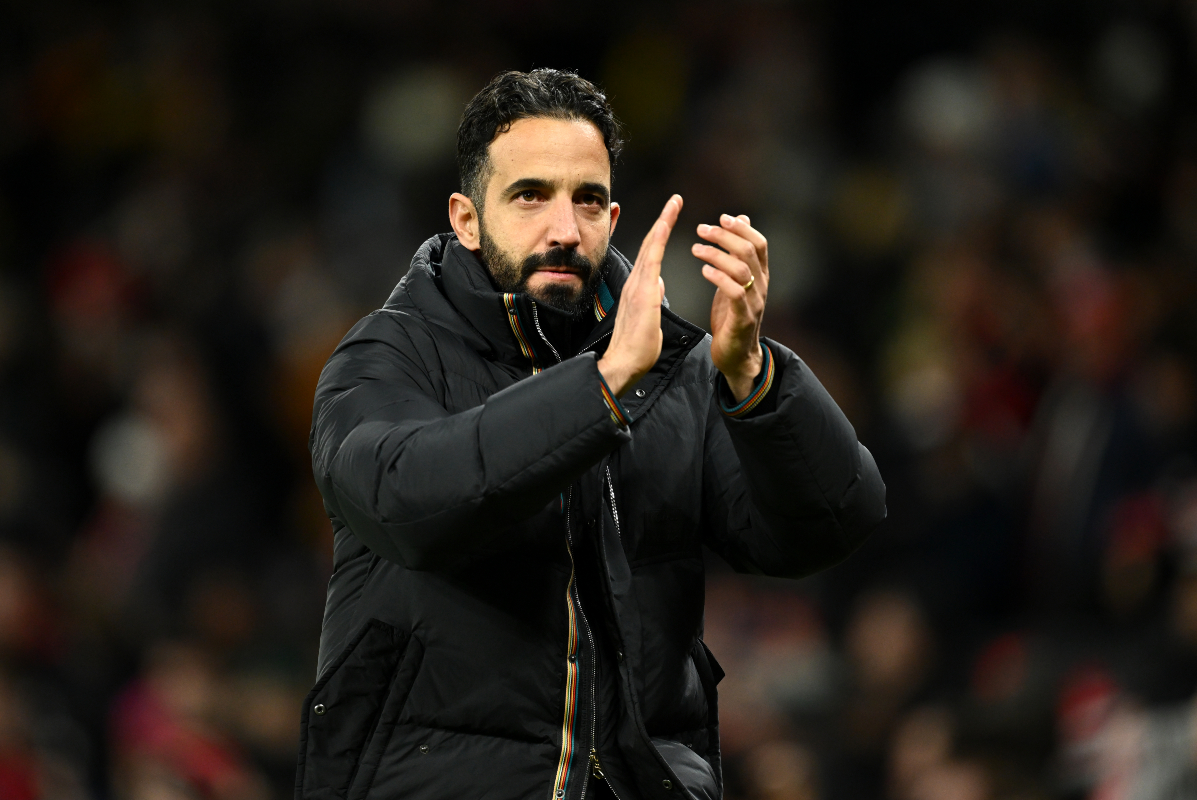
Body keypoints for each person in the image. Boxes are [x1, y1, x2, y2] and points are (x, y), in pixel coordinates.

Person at [296, 69, 885, 800]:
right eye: (530, 196)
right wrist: (600, 388)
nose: (565, 229)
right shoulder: (388, 356)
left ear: (614, 216)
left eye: (589, 200)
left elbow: (828, 525)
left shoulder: (670, 368)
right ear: (466, 217)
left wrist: (755, 377)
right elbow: (407, 504)